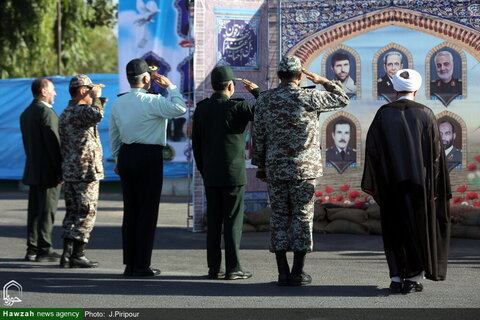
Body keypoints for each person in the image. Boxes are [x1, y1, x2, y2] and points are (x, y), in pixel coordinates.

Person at [252, 56, 349, 286]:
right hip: (304, 171)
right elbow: (342, 98)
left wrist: (261, 165)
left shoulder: (265, 100)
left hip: (276, 169)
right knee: (302, 218)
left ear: (279, 76)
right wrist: (324, 80)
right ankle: (298, 272)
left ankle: (282, 272)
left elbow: (259, 136)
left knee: (279, 218)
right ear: (299, 76)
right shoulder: (310, 96)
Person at [362, 69, 451, 294]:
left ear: (394, 88)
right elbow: (436, 156)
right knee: (417, 228)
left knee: (394, 229)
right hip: (419, 185)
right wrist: (434, 186)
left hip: (391, 184)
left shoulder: (383, 114)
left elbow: (373, 151)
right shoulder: (426, 114)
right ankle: (412, 278)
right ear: (417, 90)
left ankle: (395, 277)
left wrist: (379, 182)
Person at [109, 58, 186, 277]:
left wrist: (117, 160)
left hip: (126, 156)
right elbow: (180, 107)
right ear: (145, 78)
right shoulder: (153, 101)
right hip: (148, 157)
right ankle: (141, 265)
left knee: (131, 211)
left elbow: (115, 137)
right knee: (147, 212)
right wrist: (170, 86)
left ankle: (130, 264)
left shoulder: (118, 103)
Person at [192, 66, 259, 280]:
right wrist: (256, 91)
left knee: (214, 222)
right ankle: (233, 268)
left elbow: (197, 144)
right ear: (231, 86)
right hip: (233, 175)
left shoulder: (202, 109)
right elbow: (266, 109)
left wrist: (203, 169)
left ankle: (214, 268)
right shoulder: (238, 108)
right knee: (232, 221)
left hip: (210, 173)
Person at [59, 75, 107, 268]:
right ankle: (78, 254)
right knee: (86, 212)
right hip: (85, 172)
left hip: (72, 171)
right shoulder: (80, 112)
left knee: (72, 213)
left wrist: (94, 98)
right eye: (90, 88)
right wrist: (97, 98)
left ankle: (67, 254)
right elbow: (98, 114)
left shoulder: (67, 112)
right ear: (81, 91)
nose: (93, 91)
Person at [20, 78, 62, 263]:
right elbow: (54, 145)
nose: (55, 93)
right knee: (47, 211)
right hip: (48, 172)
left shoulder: (27, 113)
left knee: (34, 212)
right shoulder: (46, 113)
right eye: (53, 90)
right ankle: (45, 249)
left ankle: (32, 248)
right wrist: (61, 170)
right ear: (43, 91)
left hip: (33, 170)